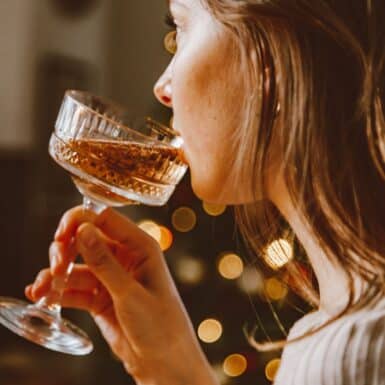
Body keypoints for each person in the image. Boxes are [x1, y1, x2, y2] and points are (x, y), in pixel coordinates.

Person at [26, 0, 385, 384]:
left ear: (271, 60)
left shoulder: (353, 356)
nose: (162, 88)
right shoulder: (339, 335)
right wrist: (171, 366)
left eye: (180, 26)